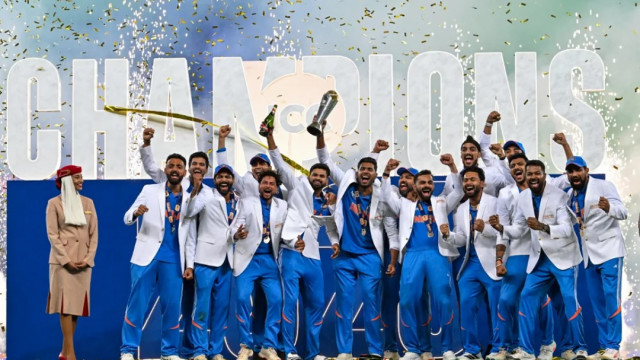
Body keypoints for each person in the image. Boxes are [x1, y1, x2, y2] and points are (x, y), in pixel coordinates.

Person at [489, 160, 587, 360]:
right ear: (525, 176)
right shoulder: (524, 198)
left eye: (537, 173)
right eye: (530, 174)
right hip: (539, 259)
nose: (533, 177)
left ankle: (580, 349)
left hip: (563, 255)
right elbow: (518, 229)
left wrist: (543, 227)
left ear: (544, 175)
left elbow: (567, 229)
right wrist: (501, 228)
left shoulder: (558, 196)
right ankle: (526, 351)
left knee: (568, 300)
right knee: (526, 297)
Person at [316, 130, 399, 360]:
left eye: (370, 170)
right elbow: (325, 159)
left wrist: (392, 261)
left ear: (374, 174)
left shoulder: (383, 196)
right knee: (343, 305)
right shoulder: (345, 185)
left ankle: (374, 351)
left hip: (370, 256)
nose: (365, 172)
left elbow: (392, 232)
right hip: (344, 255)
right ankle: (344, 352)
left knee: (372, 305)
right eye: (362, 168)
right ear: (356, 172)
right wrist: (320, 133)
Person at [265, 127, 338, 360]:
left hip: (313, 256)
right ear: (309, 176)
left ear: (326, 180)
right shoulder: (296, 186)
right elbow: (278, 161)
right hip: (290, 252)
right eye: (315, 174)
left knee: (316, 303)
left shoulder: (328, 200)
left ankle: (313, 353)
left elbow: (331, 224)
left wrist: (335, 242)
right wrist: (269, 136)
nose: (318, 178)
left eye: (322, 176)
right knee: (290, 304)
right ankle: (289, 351)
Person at [381, 157, 463, 360]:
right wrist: (385, 173)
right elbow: (385, 195)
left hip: (438, 255)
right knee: (408, 301)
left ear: (433, 185)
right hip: (412, 256)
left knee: (443, 302)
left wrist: (452, 167)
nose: (426, 186)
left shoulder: (442, 202)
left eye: (429, 182)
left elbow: (459, 191)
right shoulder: (404, 205)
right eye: (422, 182)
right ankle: (413, 349)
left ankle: (446, 349)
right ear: (415, 186)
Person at [140, 127, 210, 359]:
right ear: (189, 168)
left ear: (206, 169)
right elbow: (151, 167)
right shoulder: (172, 181)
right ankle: (173, 351)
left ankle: (191, 350)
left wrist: (198, 190)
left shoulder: (207, 192)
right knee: (177, 305)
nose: (198, 167)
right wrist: (147, 143)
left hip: (200, 256)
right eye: (194, 163)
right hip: (175, 256)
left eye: (202, 164)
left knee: (193, 306)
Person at [120, 154, 196, 360]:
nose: (174, 169)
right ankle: (127, 350)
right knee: (137, 304)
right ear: (165, 169)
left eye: (179, 167)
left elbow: (190, 236)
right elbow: (127, 216)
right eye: (171, 165)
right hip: (146, 257)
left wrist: (189, 264)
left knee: (172, 307)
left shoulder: (190, 199)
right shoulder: (149, 190)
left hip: (173, 260)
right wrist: (136, 213)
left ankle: (169, 352)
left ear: (184, 172)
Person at [490, 153, 556, 360]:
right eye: (513, 165)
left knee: (541, 300)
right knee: (506, 300)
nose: (517, 167)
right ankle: (505, 346)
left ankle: (547, 344)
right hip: (518, 251)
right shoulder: (505, 193)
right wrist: (499, 260)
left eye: (521, 164)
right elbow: (502, 228)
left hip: (544, 252)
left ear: (528, 169)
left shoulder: (546, 188)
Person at [563, 155, 628, 360]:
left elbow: (623, 212)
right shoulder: (569, 196)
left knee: (611, 298)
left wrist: (609, 208)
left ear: (587, 170)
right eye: (570, 171)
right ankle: (603, 348)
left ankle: (614, 346)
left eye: (578, 170)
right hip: (589, 253)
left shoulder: (604, 186)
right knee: (596, 301)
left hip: (610, 249)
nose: (574, 174)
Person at [441, 166, 501, 360]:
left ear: (482, 183)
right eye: (466, 180)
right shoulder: (461, 209)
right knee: (466, 305)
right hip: (470, 264)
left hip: (493, 263)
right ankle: (472, 350)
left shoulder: (496, 203)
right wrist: (448, 235)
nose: (468, 183)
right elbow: (461, 239)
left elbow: (504, 233)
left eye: (472, 179)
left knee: (497, 308)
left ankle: (499, 348)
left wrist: (485, 229)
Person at [230, 170, 288, 360]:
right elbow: (235, 226)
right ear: (259, 185)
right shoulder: (247, 203)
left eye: (272, 183)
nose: (268, 186)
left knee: (277, 301)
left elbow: (290, 230)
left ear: (276, 187)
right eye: (264, 182)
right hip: (247, 259)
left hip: (270, 262)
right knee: (241, 299)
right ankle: (246, 345)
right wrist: (237, 235)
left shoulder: (283, 206)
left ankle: (268, 346)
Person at [183, 164, 237, 360]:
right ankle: (199, 351)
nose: (224, 180)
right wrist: (196, 190)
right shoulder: (206, 195)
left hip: (228, 262)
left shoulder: (239, 201)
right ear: (214, 180)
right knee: (202, 308)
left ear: (233, 180)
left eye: (228, 177)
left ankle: (215, 352)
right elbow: (189, 212)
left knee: (222, 310)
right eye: (220, 176)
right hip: (205, 259)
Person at [46, 165, 98, 360]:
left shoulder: (88, 203)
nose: (81, 181)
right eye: (77, 178)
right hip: (62, 263)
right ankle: (71, 355)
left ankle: (64, 352)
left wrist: (88, 259)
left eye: (81, 177)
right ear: (68, 181)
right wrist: (66, 260)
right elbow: (53, 235)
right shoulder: (54, 204)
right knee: (65, 307)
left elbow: (94, 235)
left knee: (75, 307)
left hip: (83, 262)